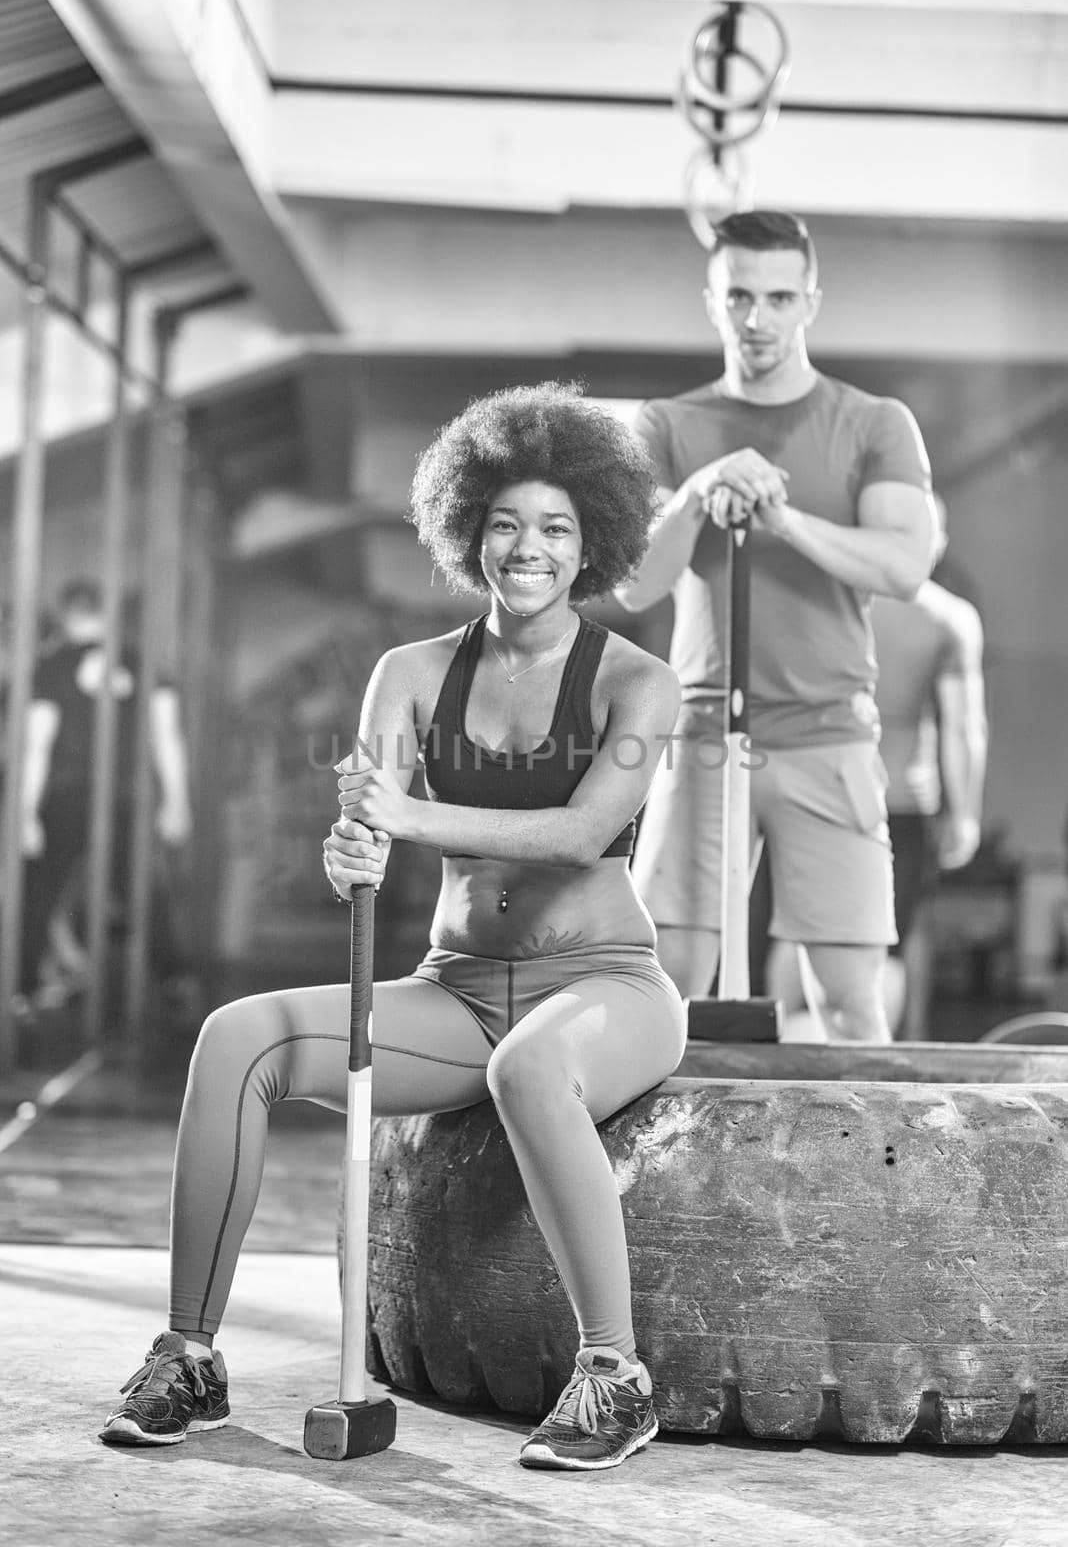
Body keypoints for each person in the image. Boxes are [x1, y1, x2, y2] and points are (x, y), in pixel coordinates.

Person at [98, 383, 686, 1473]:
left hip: (606, 988)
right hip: (457, 990)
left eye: (557, 526)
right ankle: (189, 1354)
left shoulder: (641, 683)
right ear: (470, 529)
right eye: (506, 522)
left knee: (530, 1068)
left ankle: (616, 1376)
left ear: (592, 539)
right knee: (237, 1038)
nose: (529, 547)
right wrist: (350, 852)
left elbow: (580, 832)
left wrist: (403, 816)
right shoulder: (408, 675)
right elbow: (360, 824)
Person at [619, 209, 936, 1043]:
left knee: (846, 1001)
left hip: (829, 736)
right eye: (740, 297)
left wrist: (782, 518)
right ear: (713, 300)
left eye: (779, 297)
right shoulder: (666, 426)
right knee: (665, 987)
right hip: (703, 740)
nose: (758, 319)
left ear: (810, 302)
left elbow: (905, 566)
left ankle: (875, 1175)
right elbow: (632, 583)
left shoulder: (873, 423)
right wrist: (698, 491)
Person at [764, 497, 988, 1039]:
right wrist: (966, 815)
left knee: (795, 933)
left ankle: (766, 1064)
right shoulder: (949, 617)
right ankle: (870, 1076)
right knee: (880, 945)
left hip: (811, 786)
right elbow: (963, 727)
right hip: (898, 803)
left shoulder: (824, 601)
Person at [18, 578, 193, 1007]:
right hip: (126, 796)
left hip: (66, 794)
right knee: (143, 892)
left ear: (65, 616)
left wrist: (24, 812)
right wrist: (176, 801)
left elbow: (36, 743)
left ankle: (23, 990)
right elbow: (167, 736)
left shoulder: (53, 664)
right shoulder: (140, 660)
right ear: (106, 614)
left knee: (40, 891)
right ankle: (175, 984)